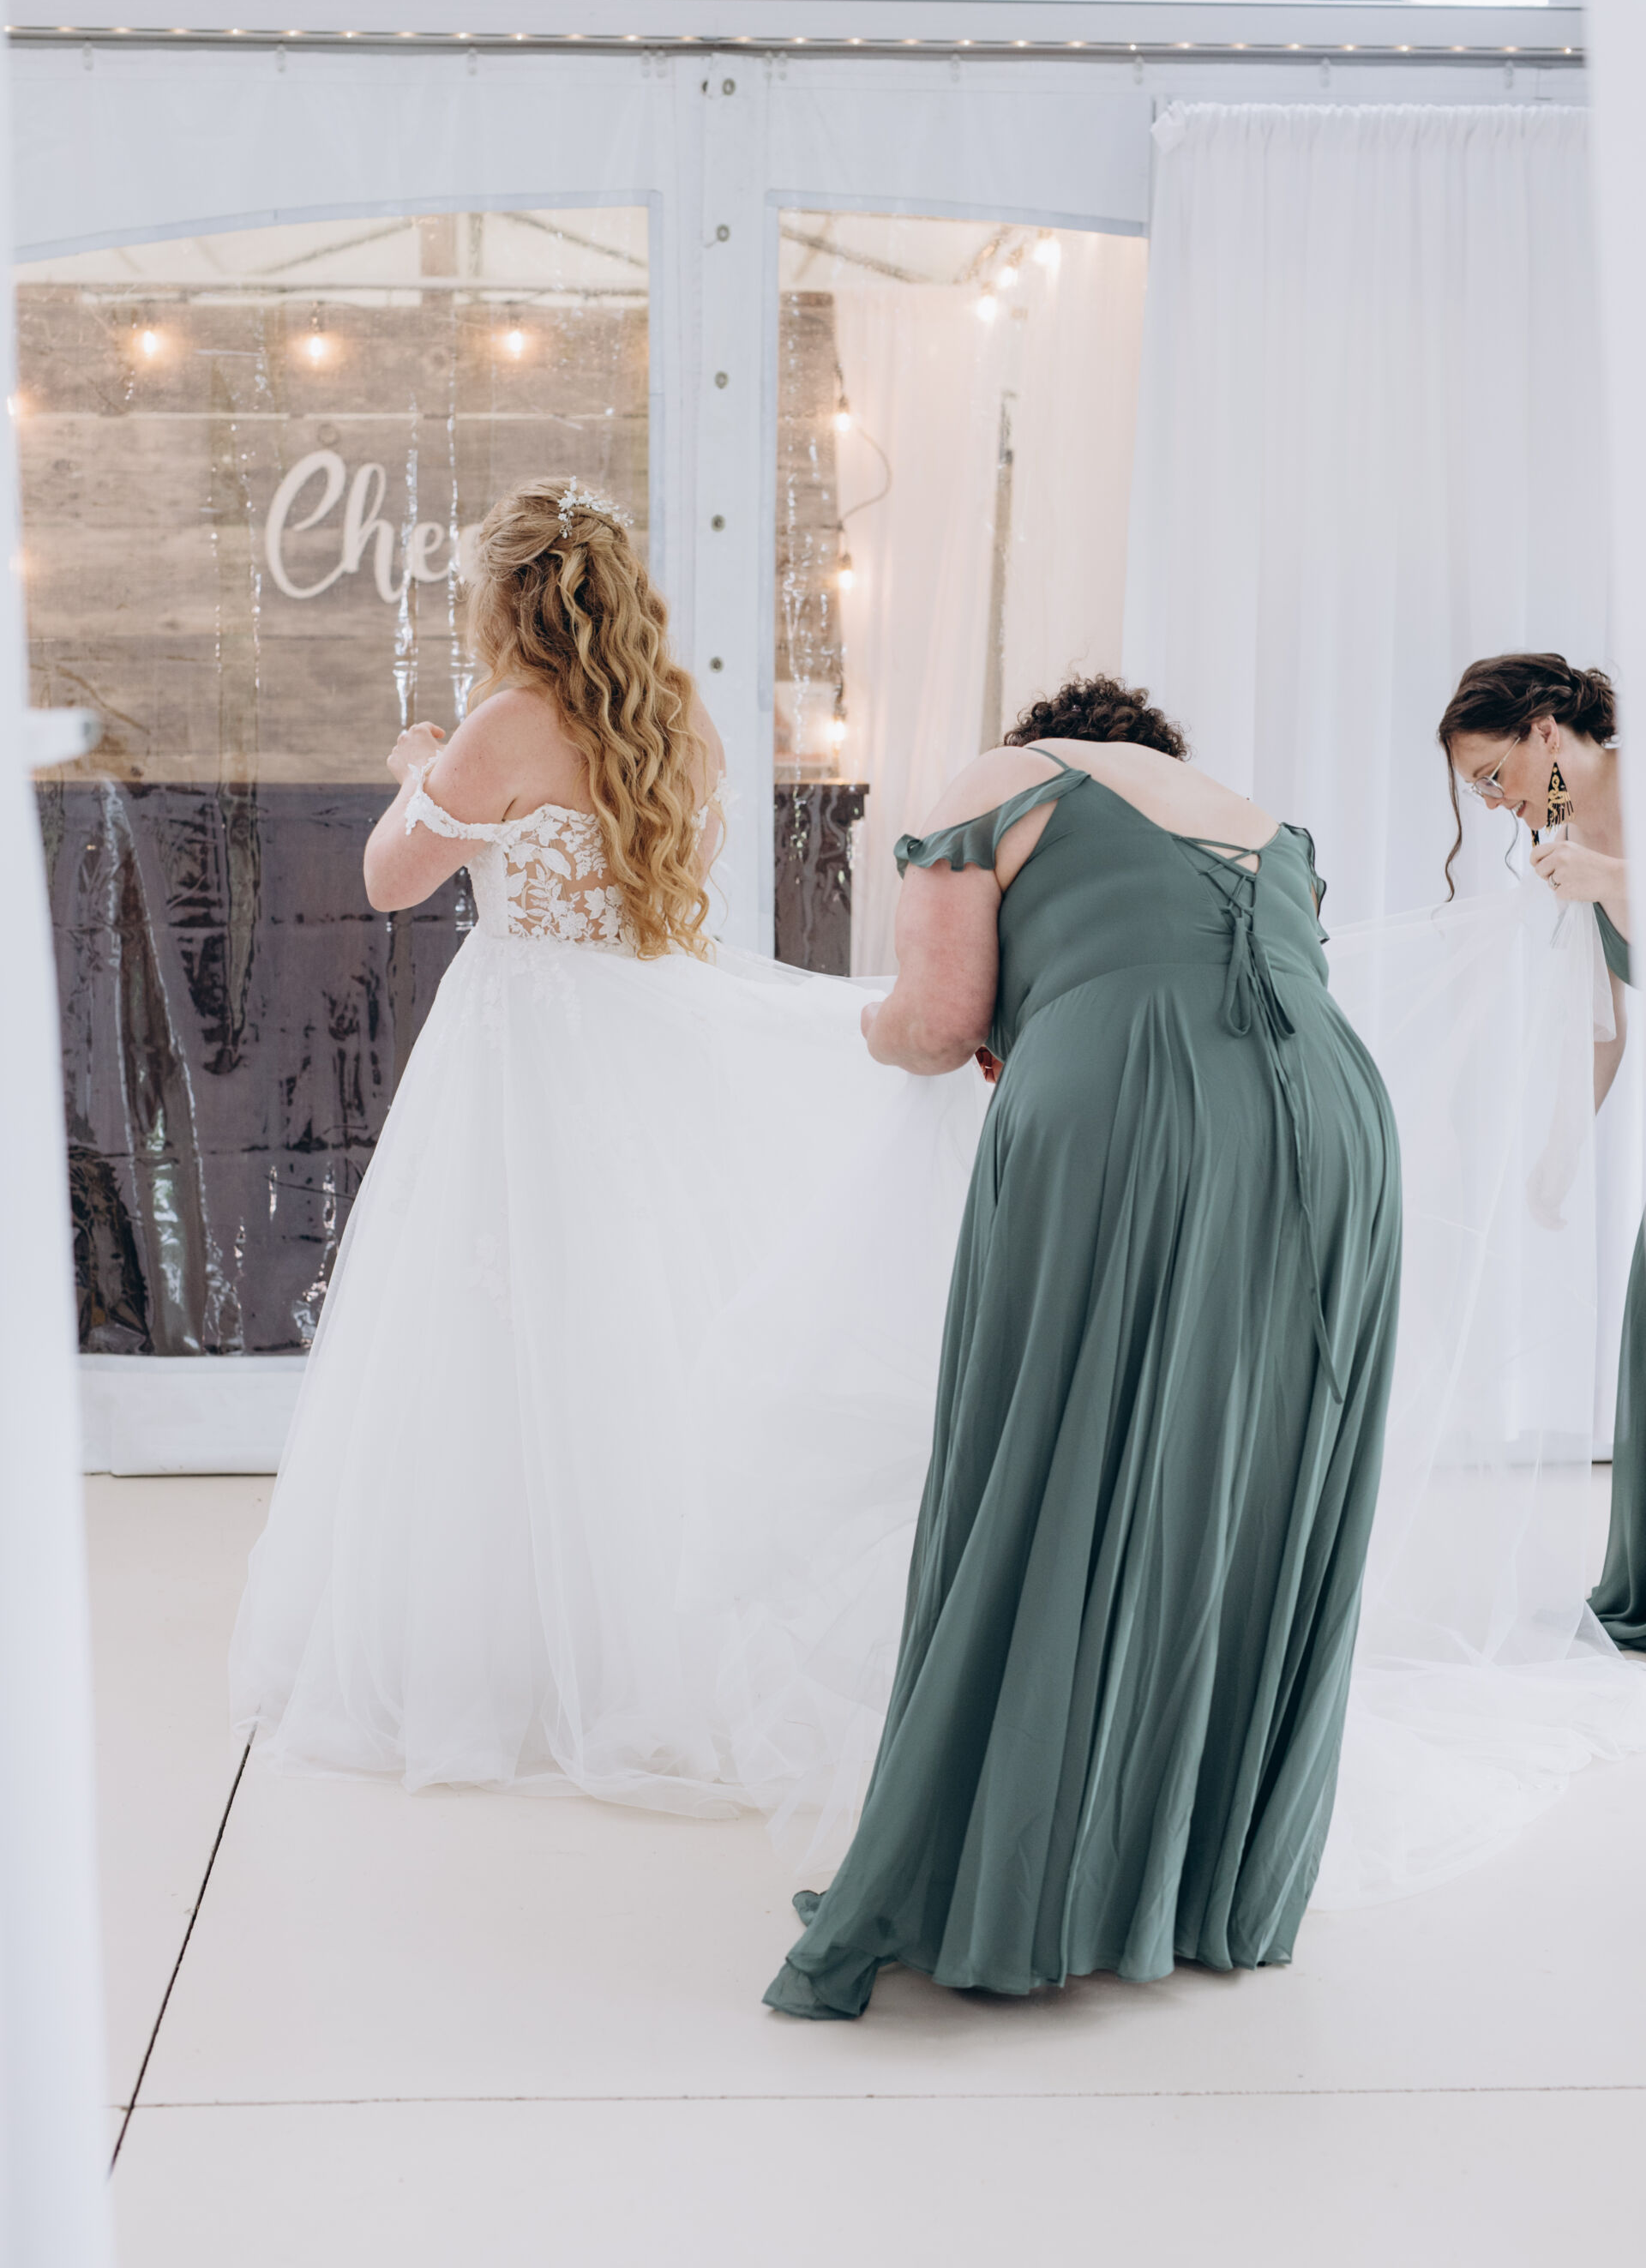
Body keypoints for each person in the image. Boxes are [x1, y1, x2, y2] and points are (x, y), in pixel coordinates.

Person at [228, 478, 983, 1806]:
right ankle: (651, 1644)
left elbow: (391, 879)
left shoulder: (507, 721)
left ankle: (502, 1654)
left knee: (490, 1339)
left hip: (523, 1047)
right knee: (642, 1325)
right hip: (643, 1033)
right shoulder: (676, 719)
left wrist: (417, 769)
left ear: (502, 601)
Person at [764, 676, 1403, 2017]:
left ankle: (1024, 1878)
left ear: (1049, 738)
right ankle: (1192, 1883)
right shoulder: (1260, 820)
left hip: (1130, 1104)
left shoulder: (1004, 779)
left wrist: (876, 1031)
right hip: (1338, 1127)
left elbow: (938, 1022)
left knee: (1053, 1457)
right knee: (1247, 1482)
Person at [1437, 652, 1644, 1651]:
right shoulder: (1563, 838)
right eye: (1477, 790)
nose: (1493, 803)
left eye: (1494, 776)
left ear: (1547, 733)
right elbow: (1605, 1025)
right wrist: (1560, 1154)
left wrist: (1616, 880)